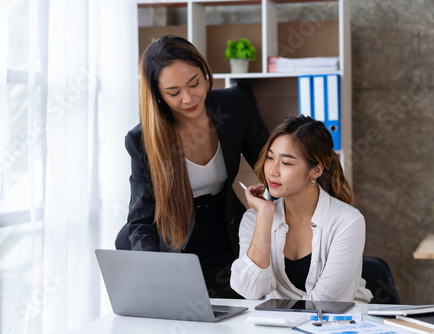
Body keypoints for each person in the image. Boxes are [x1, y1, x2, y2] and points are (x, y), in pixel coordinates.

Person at [115, 35, 267, 298]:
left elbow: (269, 163)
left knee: (239, 312)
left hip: (228, 229)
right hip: (176, 243)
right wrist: (151, 272)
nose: (188, 99)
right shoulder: (142, 141)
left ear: (204, 72)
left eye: (194, 83)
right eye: (173, 93)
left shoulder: (233, 105)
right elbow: (141, 219)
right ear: (158, 95)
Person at [230, 115, 373, 303]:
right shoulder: (254, 218)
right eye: (270, 158)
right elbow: (249, 291)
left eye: (286, 163)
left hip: (338, 326)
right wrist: (265, 216)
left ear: (316, 170)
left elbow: (328, 304)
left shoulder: (347, 221)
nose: (272, 171)